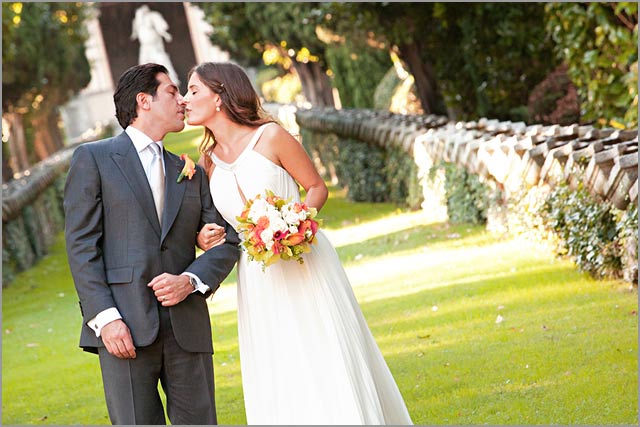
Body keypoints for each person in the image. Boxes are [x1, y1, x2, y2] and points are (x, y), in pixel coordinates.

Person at [185, 62, 413, 425]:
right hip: (259, 277)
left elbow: (316, 187)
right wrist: (203, 236)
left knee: (324, 348)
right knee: (281, 360)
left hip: (304, 260)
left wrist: (295, 223)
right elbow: (219, 225)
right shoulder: (208, 162)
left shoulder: (271, 137)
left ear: (220, 96)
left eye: (194, 90)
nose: (186, 99)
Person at [64, 63, 239, 425]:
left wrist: (189, 280)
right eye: (173, 92)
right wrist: (106, 319)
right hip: (123, 328)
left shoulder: (190, 170)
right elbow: (82, 246)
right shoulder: (93, 159)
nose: (182, 101)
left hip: (187, 328)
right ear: (144, 100)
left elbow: (226, 239)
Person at [131, 5, 181, 86]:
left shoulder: (152, 16)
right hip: (145, 48)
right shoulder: (137, 20)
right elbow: (135, 33)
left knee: (162, 63)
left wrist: (165, 35)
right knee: (144, 68)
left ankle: (172, 82)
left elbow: (161, 28)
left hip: (155, 47)